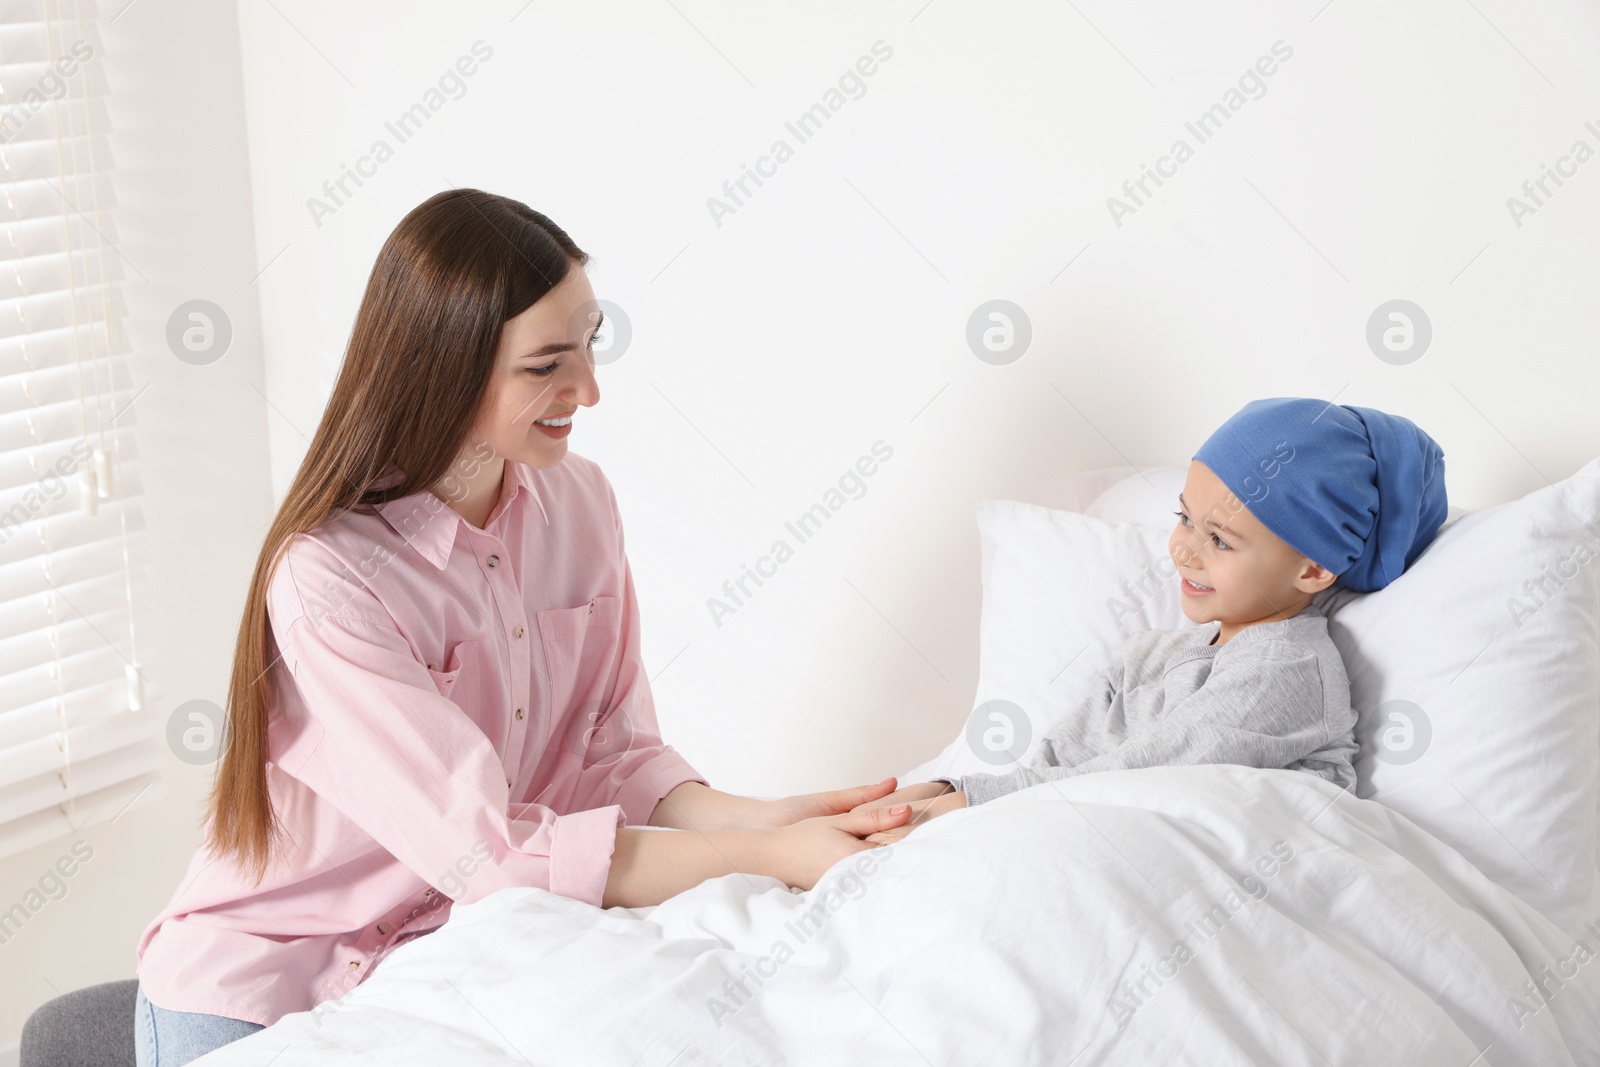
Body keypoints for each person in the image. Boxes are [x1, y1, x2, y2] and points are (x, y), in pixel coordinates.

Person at [132, 189, 914, 1065]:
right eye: (547, 364)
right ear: (446, 368)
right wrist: (771, 856)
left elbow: (608, 756)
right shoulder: (331, 577)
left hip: (425, 959)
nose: (589, 388)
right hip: (265, 982)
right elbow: (490, 858)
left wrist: (778, 820)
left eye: (591, 340)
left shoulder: (580, 504)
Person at [856, 397, 1448, 838]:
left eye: (1220, 540)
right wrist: (952, 799)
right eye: (1185, 517)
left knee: (877, 835)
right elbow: (1057, 762)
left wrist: (959, 805)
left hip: (1181, 865)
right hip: (1049, 827)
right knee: (860, 826)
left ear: (1314, 570)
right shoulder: (1147, 658)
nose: (1185, 549)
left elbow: (1143, 775)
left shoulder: (1285, 670)